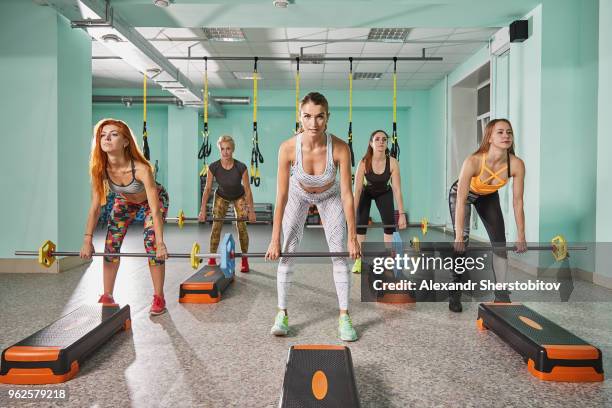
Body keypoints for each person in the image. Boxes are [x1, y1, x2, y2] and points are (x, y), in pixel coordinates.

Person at [265, 92, 360, 342]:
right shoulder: (287, 148)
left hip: (330, 196)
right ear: (300, 117)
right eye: (307, 116)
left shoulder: (340, 148)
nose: (313, 123)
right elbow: (282, 196)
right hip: (298, 195)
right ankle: (282, 314)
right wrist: (275, 238)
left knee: (339, 253)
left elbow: (348, 195)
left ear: (327, 118)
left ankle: (344, 317)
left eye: (320, 117)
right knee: (287, 250)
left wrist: (353, 236)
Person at [80, 119, 169, 315]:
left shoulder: (141, 169)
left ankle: (159, 297)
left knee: (151, 242)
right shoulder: (100, 169)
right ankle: (107, 295)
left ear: (126, 141)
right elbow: (95, 207)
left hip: (152, 201)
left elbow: (154, 210)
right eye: (103, 135)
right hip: (125, 200)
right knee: (111, 244)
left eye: (113, 134)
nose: (107, 138)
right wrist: (87, 240)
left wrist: (160, 243)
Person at [449, 118, 526, 312]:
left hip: (488, 196)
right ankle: (455, 291)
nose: (506, 136)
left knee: (499, 243)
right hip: (462, 196)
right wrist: (458, 235)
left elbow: (518, 202)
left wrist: (521, 236)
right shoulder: (473, 161)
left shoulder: (516, 164)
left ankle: (501, 293)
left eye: (509, 132)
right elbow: (460, 200)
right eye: (500, 132)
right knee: (462, 241)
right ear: (489, 137)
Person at [352, 130, 407, 273]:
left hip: (384, 192)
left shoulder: (393, 162)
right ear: (371, 143)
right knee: (360, 225)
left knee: (389, 226)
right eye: (377, 139)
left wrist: (401, 214)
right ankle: (359, 260)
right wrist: (351, 213)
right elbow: (357, 191)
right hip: (366, 192)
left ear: (387, 143)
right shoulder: (363, 163)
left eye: (384, 139)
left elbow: (397, 190)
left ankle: (389, 260)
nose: (381, 142)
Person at [199, 135, 256, 273]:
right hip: (221, 196)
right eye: (223, 149)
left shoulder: (241, 167)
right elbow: (207, 189)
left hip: (239, 196)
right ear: (220, 150)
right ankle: (212, 257)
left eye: (228, 148)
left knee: (241, 227)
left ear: (233, 149)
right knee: (216, 225)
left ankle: (244, 259)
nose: (225, 152)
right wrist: (202, 210)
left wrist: (251, 210)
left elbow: (247, 189)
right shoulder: (213, 167)